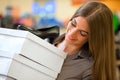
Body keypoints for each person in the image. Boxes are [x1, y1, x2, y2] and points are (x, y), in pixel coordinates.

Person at [54, 1, 116, 80]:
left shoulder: (90, 70)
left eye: (82, 33)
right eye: (73, 23)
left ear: (94, 38)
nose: (71, 34)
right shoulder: (48, 40)